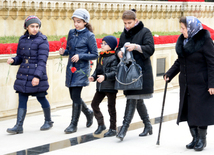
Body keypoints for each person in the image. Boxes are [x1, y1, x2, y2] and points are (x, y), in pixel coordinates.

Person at [164, 16, 214, 151]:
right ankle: (194, 138)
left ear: (192, 28)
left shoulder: (205, 41)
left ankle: (202, 140)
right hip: (186, 83)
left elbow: (212, 63)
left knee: (200, 112)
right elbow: (179, 62)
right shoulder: (183, 41)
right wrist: (169, 73)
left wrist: (212, 84)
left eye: (183, 28)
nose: (181, 31)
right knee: (189, 111)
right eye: (181, 28)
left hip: (201, 84)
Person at [6, 15, 53, 134]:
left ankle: (48, 121)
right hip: (23, 74)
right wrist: (13, 60)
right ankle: (19, 126)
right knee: (22, 98)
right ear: (27, 27)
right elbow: (20, 57)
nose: (35, 29)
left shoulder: (42, 40)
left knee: (41, 97)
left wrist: (37, 76)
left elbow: (42, 61)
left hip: (37, 73)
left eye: (37, 26)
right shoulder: (22, 39)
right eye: (32, 26)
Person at [115, 10, 155, 141]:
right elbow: (118, 47)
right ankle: (148, 125)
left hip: (140, 72)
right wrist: (119, 53)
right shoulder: (123, 34)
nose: (127, 26)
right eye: (125, 23)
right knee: (136, 99)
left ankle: (123, 129)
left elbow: (150, 48)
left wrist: (136, 47)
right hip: (128, 73)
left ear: (135, 20)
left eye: (129, 23)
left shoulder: (145, 32)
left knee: (132, 98)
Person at [59, 9, 98, 134]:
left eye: (79, 22)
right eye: (75, 21)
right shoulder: (71, 33)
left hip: (81, 70)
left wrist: (80, 56)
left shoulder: (89, 35)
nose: (76, 24)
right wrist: (63, 52)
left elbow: (95, 55)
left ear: (85, 22)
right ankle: (88, 112)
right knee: (73, 96)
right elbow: (69, 50)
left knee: (75, 96)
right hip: (71, 68)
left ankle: (73, 124)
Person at [89, 36, 119, 137]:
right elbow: (97, 70)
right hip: (101, 86)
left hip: (110, 87)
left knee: (111, 108)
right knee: (94, 104)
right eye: (102, 43)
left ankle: (113, 128)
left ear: (111, 46)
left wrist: (105, 77)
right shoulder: (100, 56)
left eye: (105, 44)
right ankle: (101, 124)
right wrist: (93, 77)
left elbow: (115, 72)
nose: (102, 45)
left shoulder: (114, 57)